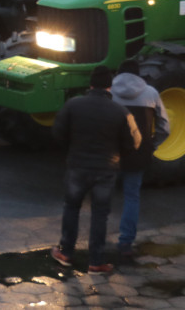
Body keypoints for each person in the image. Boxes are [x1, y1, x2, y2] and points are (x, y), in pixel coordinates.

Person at [51, 66, 141, 274]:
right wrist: (118, 155)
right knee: (100, 214)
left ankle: (66, 252)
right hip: (106, 170)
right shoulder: (120, 111)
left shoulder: (73, 105)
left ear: (90, 84)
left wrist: (72, 149)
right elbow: (134, 142)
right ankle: (96, 262)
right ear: (110, 87)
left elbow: (58, 132)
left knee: (71, 208)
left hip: (77, 166)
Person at [111, 59, 170, 261]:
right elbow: (165, 126)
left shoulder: (109, 93)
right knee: (131, 197)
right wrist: (152, 145)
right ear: (139, 75)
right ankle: (125, 243)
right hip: (139, 153)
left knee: (101, 196)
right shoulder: (151, 93)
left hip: (111, 153)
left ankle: (98, 241)